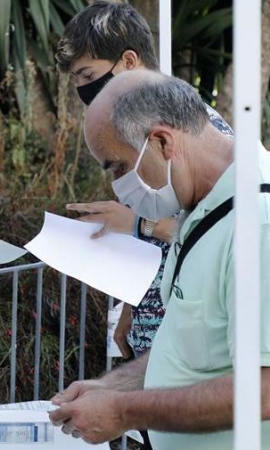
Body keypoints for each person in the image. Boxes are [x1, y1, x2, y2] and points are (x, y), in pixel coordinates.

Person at [49, 69, 270, 449]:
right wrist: (111, 385)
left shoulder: (266, 223)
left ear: (163, 141)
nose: (117, 186)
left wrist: (122, 411)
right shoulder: (204, 209)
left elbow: (265, 394)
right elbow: (187, 347)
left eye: (119, 166)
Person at [55, 1, 233, 361]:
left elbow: (219, 228)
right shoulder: (131, 131)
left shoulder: (196, 130)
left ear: (129, 62)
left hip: (187, 335)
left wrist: (139, 224)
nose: (84, 92)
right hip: (152, 330)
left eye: (89, 76)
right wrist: (129, 310)